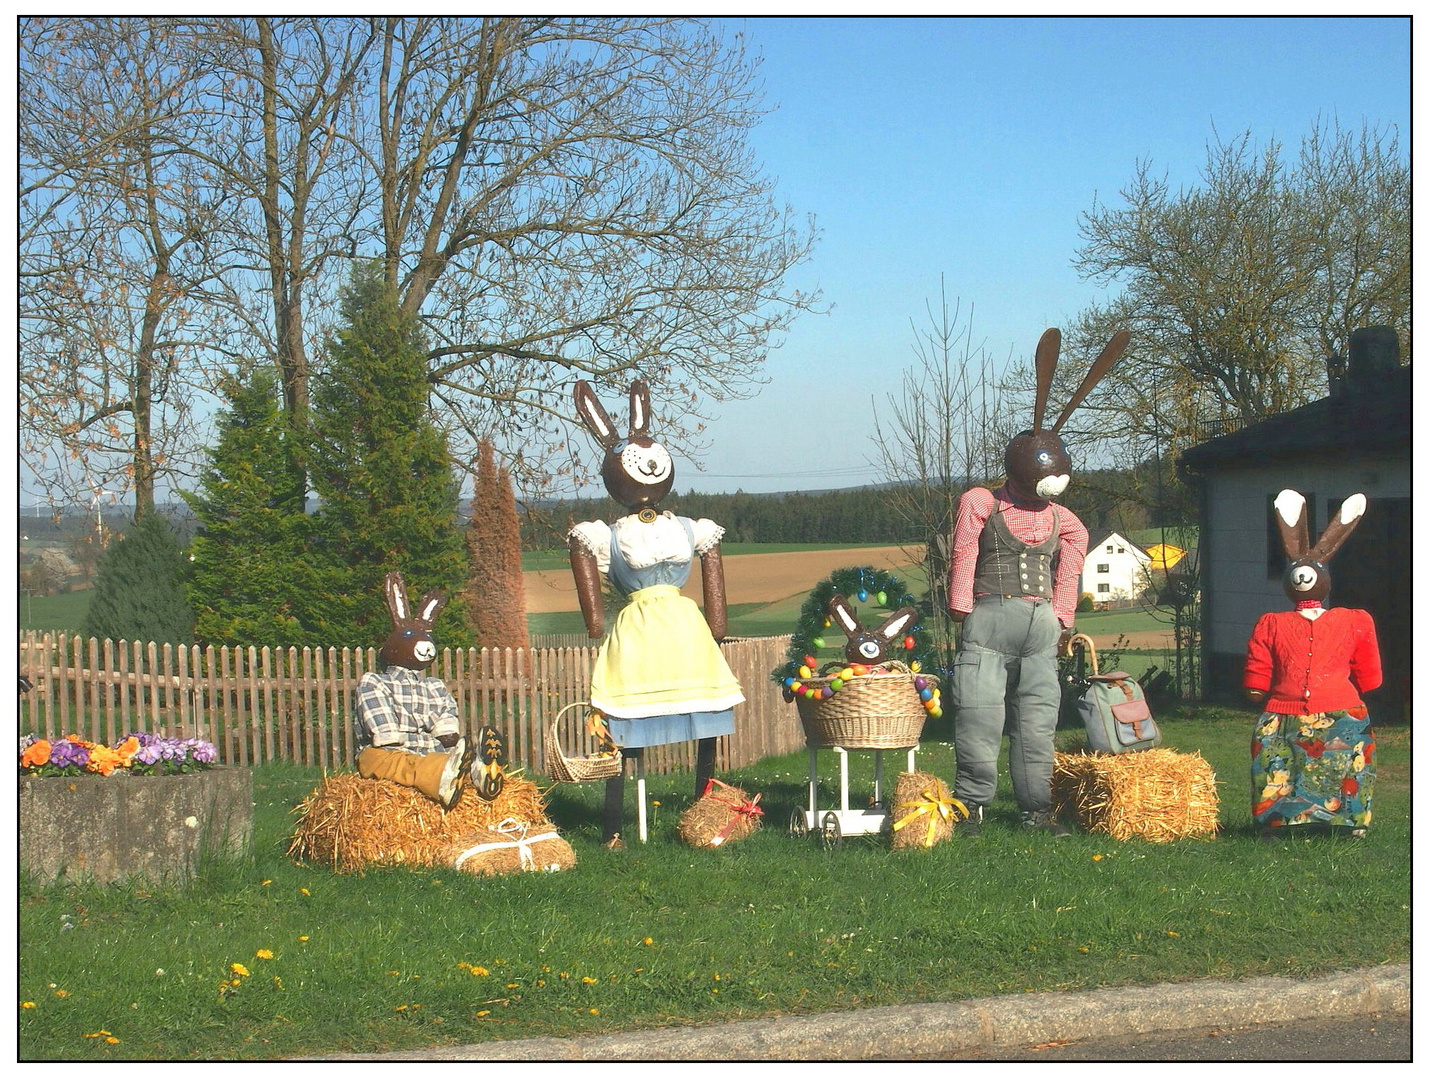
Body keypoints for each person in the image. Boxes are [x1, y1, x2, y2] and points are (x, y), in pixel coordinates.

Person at [946, 326, 1127, 837]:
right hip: (992, 617)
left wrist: (1062, 616)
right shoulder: (982, 501)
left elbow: (1069, 569)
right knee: (979, 713)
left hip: (1041, 628)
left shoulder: (1066, 520)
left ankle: (1037, 807)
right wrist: (963, 603)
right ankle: (972, 803)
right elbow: (964, 551)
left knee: (1038, 719)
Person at [569, 380, 744, 845]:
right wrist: (593, 620)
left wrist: (718, 623)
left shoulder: (689, 528)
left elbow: (713, 568)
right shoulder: (606, 534)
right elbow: (582, 556)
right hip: (641, 629)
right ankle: (614, 824)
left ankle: (706, 812)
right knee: (626, 719)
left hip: (686, 631)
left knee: (702, 710)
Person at [1246, 490, 1380, 838]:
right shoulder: (1272, 622)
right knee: (1278, 761)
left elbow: (1366, 658)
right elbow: (1260, 656)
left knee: (1344, 764)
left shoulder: (1352, 620)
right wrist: (1256, 683)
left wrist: (1368, 682)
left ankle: (1348, 820)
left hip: (1340, 709)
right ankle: (1279, 818)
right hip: (1282, 709)